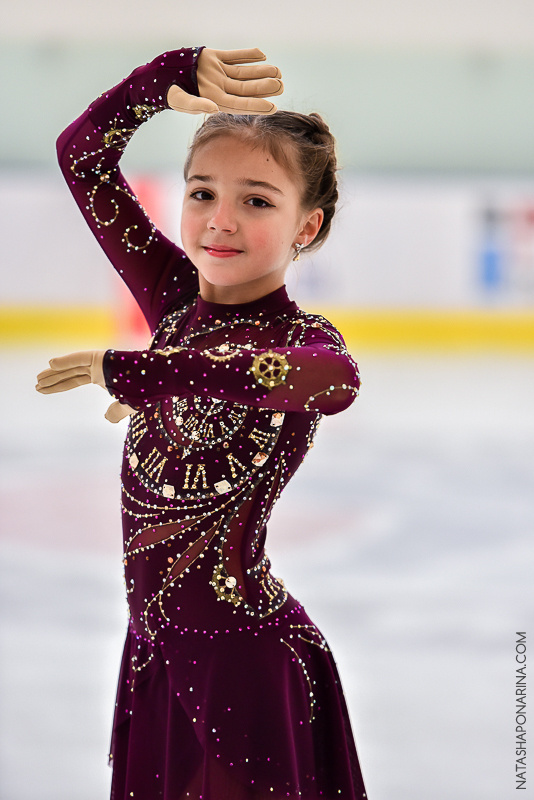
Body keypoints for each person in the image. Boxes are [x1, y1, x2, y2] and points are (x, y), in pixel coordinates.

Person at [36, 46, 368, 800]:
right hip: (154, 653)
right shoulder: (177, 306)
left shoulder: (303, 341)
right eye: (200, 192)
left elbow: (335, 383)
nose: (219, 221)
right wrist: (163, 79)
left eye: (256, 201)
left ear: (305, 226)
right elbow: (81, 158)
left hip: (245, 663)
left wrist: (134, 371)